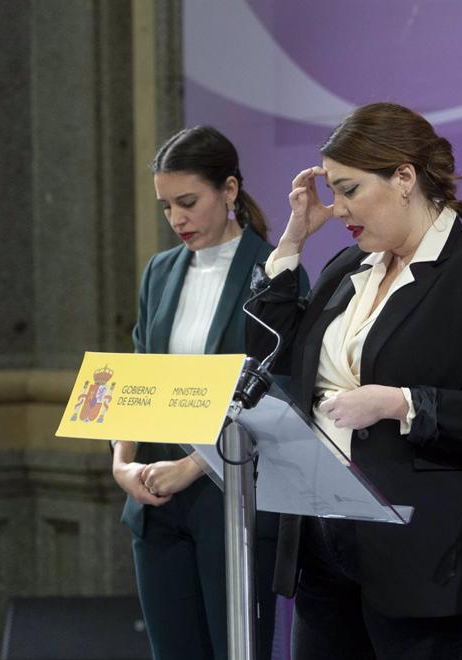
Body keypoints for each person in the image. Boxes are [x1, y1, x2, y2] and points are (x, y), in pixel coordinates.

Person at [246, 101, 462, 660]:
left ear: (404, 177)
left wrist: (400, 404)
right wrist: (290, 246)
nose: (339, 209)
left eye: (350, 189)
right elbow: (267, 356)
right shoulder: (347, 267)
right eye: (332, 191)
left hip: (428, 559)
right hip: (324, 547)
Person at [111, 126, 297, 659]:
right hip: (155, 497)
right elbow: (139, 376)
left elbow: (276, 393)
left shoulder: (275, 274)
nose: (176, 220)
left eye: (188, 202)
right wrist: (122, 466)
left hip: (231, 495)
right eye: (166, 206)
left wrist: (194, 465)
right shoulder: (160, 271)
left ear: (230, 190)